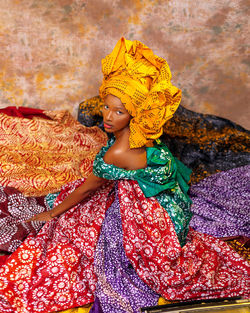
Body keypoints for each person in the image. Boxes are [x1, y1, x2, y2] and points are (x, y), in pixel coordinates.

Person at [0, 37, 249, 313]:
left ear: (134, 114)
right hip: (169, 207)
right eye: (106, 106)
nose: (107, 116)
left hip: (149, 218)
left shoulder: (116, 152)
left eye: (119, 112)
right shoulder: (148, 136)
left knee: (75, 221)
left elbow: (87, 189)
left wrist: (52, 213)